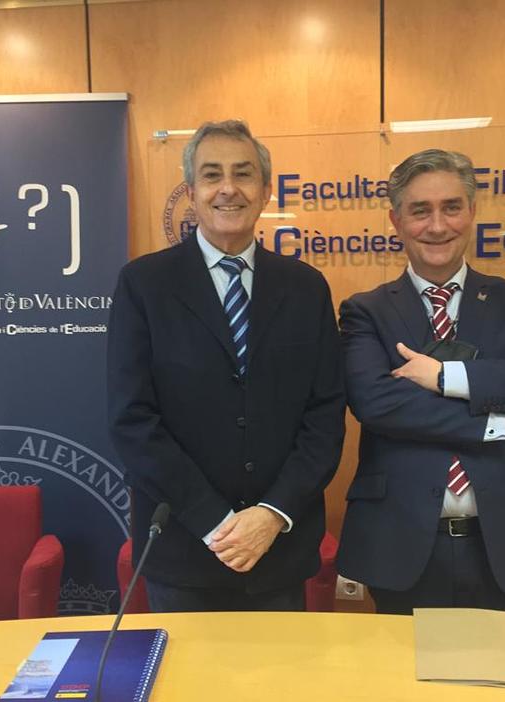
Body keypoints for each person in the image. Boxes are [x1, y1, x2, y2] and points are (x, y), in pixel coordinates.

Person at [107, 120, 345, 612]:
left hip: (279, 548)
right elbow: (133, 420)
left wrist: (272, 514)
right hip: (184, 551)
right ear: (191, 192)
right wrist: (216, 522)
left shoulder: (306, 288)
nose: (228, 188)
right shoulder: (144, 285)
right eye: (212, 175)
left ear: (266, 190)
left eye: (244, 173)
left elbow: (324, 416)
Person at [336, 148, 505, 614]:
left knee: (504, 665)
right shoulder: (366, 311)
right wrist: (494, 421)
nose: (437, 226)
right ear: (395, 220)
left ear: (472, 211)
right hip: (400, 543)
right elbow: (376, 402)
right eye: (420, 211)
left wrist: (444, 376)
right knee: (406, 665)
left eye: (451, 207)